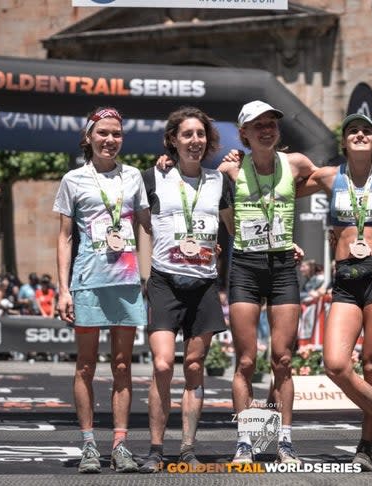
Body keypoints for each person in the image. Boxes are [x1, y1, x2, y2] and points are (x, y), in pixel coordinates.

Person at [297, 113, 372, 471]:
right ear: (344, 142)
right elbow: (284, 187)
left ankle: (365, 447)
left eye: (366, 131)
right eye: (352, 131)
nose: (360, 134)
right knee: (335, 363)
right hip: (346, 278)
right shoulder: (329, 177)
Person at [219, 100, 319, 465]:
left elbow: (330, 179)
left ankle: (284, 440)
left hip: (281, 268)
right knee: (246, 360)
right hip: (245, 266)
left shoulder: (295, 164)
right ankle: (246, 440)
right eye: (257, 125)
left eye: (271, 123)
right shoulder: (230, 168)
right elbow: (229, 220)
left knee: (283, 358)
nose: (266, 129)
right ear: (243, 132)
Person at [54, 106, 151, 474]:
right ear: (89, 137)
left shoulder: (134, 178)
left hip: (125, 283)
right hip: (88, 281)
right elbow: (64, 238)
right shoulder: (73, 180)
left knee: (123, 365)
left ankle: (121, 444)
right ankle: (89, 444)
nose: (110, 139)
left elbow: (146, 224)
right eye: (103, 133)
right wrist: (63, 289)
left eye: (116, 134)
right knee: (86, 366)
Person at [137, 106, 233, 473]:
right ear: (173, 141)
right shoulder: (152, 177)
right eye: (187, 134)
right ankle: (156, 449)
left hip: (205, 285)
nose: (195, 141)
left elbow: (233, 228)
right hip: (165, 282)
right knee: (163, 364)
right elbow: (145, 223)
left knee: (194, 365)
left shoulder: (218, 181)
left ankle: (188, 448)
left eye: (200, 134)